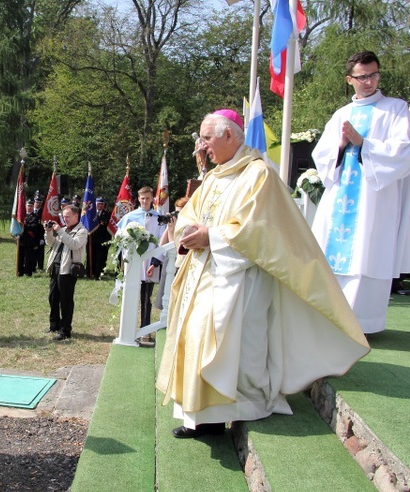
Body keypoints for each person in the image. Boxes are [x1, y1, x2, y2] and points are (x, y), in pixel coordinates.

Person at [156, 109, 370, 439]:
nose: (203, 146)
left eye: (207, 138)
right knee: (195, 338)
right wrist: (189, 232)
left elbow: (259, 230)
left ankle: (237, 409)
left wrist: (211, 236)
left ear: (229, 136)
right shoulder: (213, 176)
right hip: (203, 273)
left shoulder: (259, 175)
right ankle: (203, 418)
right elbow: (189, 214)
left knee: (232, 347)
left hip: (240, 278)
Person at [310, 51, 410, 334]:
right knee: (331, 255)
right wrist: (341, 145)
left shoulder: (396, 109)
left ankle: (364, 325)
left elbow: (403, 151)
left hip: (374, 201)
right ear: (350, 79)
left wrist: (363, 142)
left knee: (368, 253)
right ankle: (330, 320)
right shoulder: (342, 114)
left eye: (373, 75)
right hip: (341, 196)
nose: (369, 82)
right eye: (362, 76)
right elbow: (323, 155)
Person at [116, 186, 165, 337]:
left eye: (148, 198)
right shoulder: (130, 217)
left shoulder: (158, 218)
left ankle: (145, 330)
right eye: (142, 198)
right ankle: (128, 329)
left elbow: (162, 241)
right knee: (131, 294)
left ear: (152, 199)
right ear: (138, 199)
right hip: (133, 262)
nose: (145, 201)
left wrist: (155, 263)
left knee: (146, 297)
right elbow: (119, 237)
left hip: (150, 261)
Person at [45, 204, 88, 341]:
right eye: (64, 217)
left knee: (66, 300)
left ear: (76, 216)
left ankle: (65, 330)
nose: (65, 219)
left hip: (68, 269)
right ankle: (54, 325)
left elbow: (74, 244)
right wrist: (49, 232)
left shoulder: (82, 231)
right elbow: (51, 243)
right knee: (53, 297)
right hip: (56, 266)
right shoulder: (63, 230)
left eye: (68, 216)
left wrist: (61, 232)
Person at [18, 199, 43, 277]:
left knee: (29, 258)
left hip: (30, 241)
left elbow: (34, 228)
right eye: (28, 206)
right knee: (20, 257)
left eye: (31, 206)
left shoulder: (36, 217)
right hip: (21, 240)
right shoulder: (21, 216)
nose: (29, 207)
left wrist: (24, 228)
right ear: (25, 206)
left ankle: (28, 272)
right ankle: (20, 271)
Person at [90, 197, 111, 278]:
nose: (100, 205)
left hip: (103, 239)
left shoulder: (107, 214)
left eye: (101, 204)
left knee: (101, 257)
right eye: (98, 203)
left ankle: (99, 272)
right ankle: (90, 271)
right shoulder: (92, 214)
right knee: (92, 255)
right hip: (92, 239)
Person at [33, 197, 45, 271]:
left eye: (39, 203)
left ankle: (40, 266)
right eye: (36, 202)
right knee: (33, 251)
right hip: (32, 235)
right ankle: (33, 265)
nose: (38, 204)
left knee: (40, 252)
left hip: (40, 234)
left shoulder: (43, 212)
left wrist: (43, 238)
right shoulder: (31, 211)